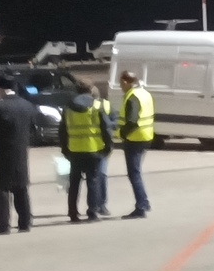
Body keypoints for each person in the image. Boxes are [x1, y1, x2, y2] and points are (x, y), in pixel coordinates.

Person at [0, 74, 37, 234]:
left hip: (2, 152)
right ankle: (25, 223)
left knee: (3, 188)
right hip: (21, 152)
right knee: (21, 187)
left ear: (0, 89)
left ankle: (4, 225)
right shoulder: (27, 105)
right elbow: (32, 128)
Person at [63, 82, 113, 222]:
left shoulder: (68, 107)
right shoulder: (97, 106)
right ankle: (92, 212)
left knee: (74, 183)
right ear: (91, 90)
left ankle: (73, 213)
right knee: (93, 181)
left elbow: (63, 130)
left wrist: (65, 149)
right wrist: (108, 147)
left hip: (74, 149)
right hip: (93, 148)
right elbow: (105, 128)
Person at [114, 69, 154, 219]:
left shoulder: (133, 97)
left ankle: (141, 205)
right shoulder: (145, 93)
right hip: (146, 136)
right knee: (136, 172)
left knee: (134, 174)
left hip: (134, 138)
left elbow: (132, 121)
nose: (120, 86)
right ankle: (144, 202)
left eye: (120, 83)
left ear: (126, 82)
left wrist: (121, 134)